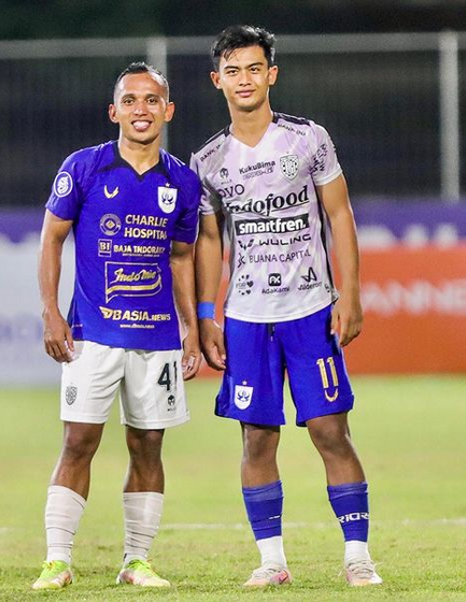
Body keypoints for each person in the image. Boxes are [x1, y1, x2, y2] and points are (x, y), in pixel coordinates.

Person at [190, 25, 382, 588]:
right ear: (217, 80)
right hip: (247, 317)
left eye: (254, 68)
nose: (244, 79)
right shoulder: (208, 160)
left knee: (329, 430)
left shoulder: (308, 139)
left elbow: (339, 216)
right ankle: (272, 560)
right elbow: (209, 241)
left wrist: (350, 294)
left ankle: (357, 555)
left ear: (271, 75)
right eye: (233, 70)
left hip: (309, 311)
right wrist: (207, 315)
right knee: (257, 437)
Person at [32, 62, 202, 591]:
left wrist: (192, 328)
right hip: (93, 335)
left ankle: (137, 561)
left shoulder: (183, 182)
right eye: (130, 100)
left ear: (167, 111)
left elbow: (180, 260)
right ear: (114, 112)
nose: (141, 110)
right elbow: (52, 240)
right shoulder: (83, 168)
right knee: (78, 441)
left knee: (147, 446)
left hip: (156, 339)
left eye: (151, 101)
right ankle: (58, 559)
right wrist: (52, 311)